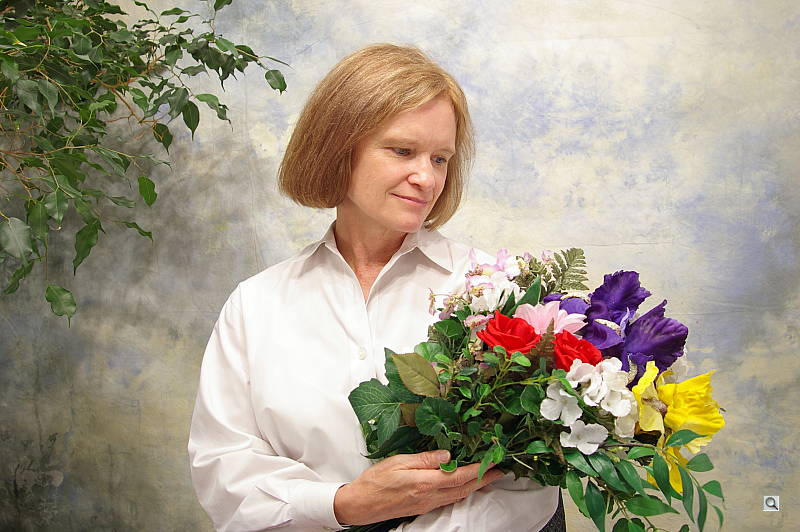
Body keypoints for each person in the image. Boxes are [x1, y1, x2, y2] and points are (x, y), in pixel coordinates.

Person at [188, 44, 561, 532]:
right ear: (337, 149)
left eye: (440, 158)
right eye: (402, 151)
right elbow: (224, 467)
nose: (426, 178)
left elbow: (527, 477)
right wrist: (342, 505)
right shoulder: (256, 304)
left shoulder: (498, 291)